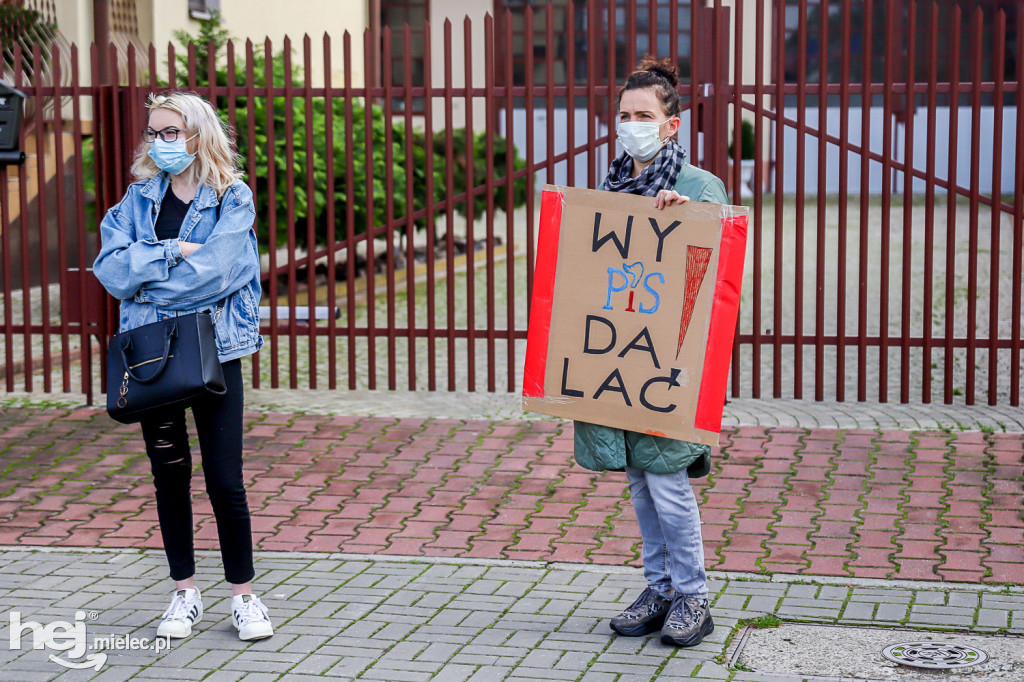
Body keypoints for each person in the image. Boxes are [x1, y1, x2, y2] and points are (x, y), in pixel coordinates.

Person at [93, 92, 273, 642]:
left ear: (198, 134)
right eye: (153, 133)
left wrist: (148, 271)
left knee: (225, 479)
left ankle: (243, 597)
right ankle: (184, 593)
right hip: (154, 357)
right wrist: (174, 251)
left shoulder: (231, 197)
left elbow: (220, 271)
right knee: (169, 475)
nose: (159, 143)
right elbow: (110, 270)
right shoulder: (136, 199)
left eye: (170, 132)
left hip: (215, 352)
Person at [574, 56, 728, 648]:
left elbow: (715, 275)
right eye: (623, 114)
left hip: (669, 367)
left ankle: (693, 596)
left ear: (672, 124)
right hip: (622, 364)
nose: (630, 123)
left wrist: (683, 222)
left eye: (644, 114)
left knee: (669, 483)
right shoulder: (611, 188)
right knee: (639, 482)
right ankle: (659, 586)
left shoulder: (697, 187)